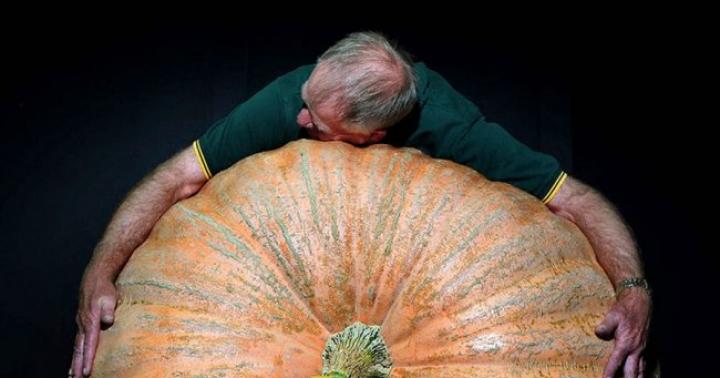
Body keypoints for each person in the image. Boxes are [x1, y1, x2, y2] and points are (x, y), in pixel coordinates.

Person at [70, 32, 651, 378]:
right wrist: (99, 271)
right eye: (307, 103)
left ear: (371, 137)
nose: (300, 121)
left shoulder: (452, 129)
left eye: (317, 126)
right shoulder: (297, 97)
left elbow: (575, 199)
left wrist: (632, 291)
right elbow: (174, 178)